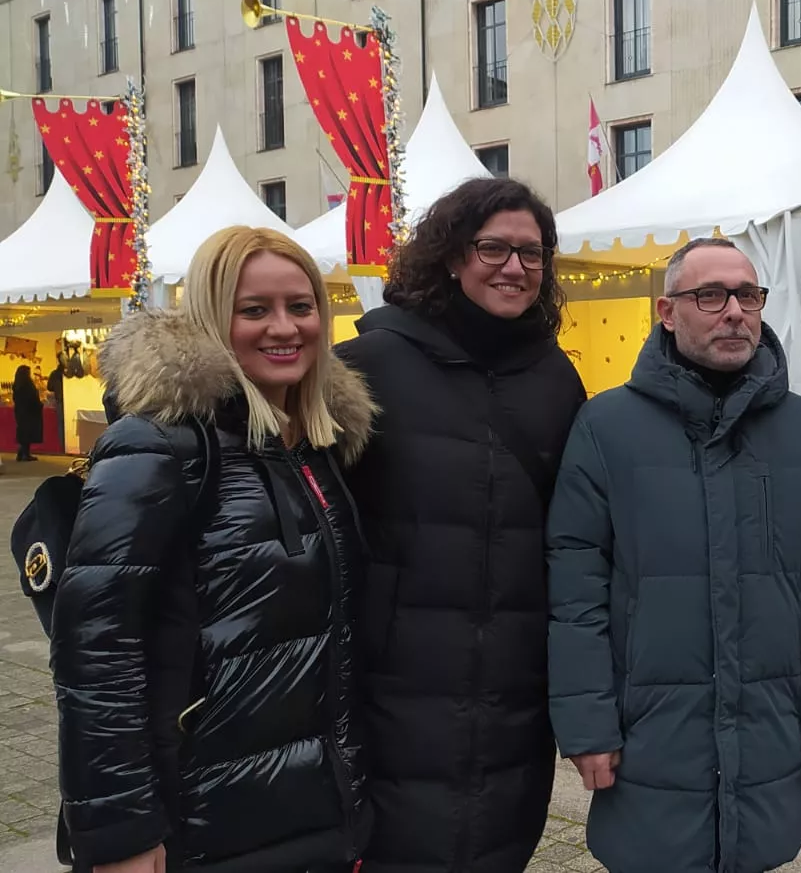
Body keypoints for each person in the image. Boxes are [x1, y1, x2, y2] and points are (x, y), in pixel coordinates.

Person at [51, 225, 376, 873]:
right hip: (201, 825)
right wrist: (121, 831)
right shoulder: (162, 444)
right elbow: (97, 650)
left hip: (313, 813)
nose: (283, 327)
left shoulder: (316, 447)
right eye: (253, 309)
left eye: (301, 306)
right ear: (211, 317)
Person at [546, 237, 801, 873]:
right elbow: (575, 591)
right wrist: (586, 726)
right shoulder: (605, 428)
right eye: (711, 296)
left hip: (768, 726)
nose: (734, 312)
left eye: (747, 295)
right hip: (650, 734)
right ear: (667, 311)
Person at [334, 177, 587, 873]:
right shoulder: (366, 367)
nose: (515, 267)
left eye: (532, 254)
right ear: (450, 256)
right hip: (395, 689)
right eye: (494, 248)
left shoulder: (555, 378)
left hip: (515, 689)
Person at [13, 364, 43, 460]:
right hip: (30, 413)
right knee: (28, 433)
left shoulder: (17, 385)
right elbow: (32, 398)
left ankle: (22, 453)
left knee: (23, 432)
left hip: (20, 412)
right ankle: (25, 454)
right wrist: (40, 405)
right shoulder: (28, 385)